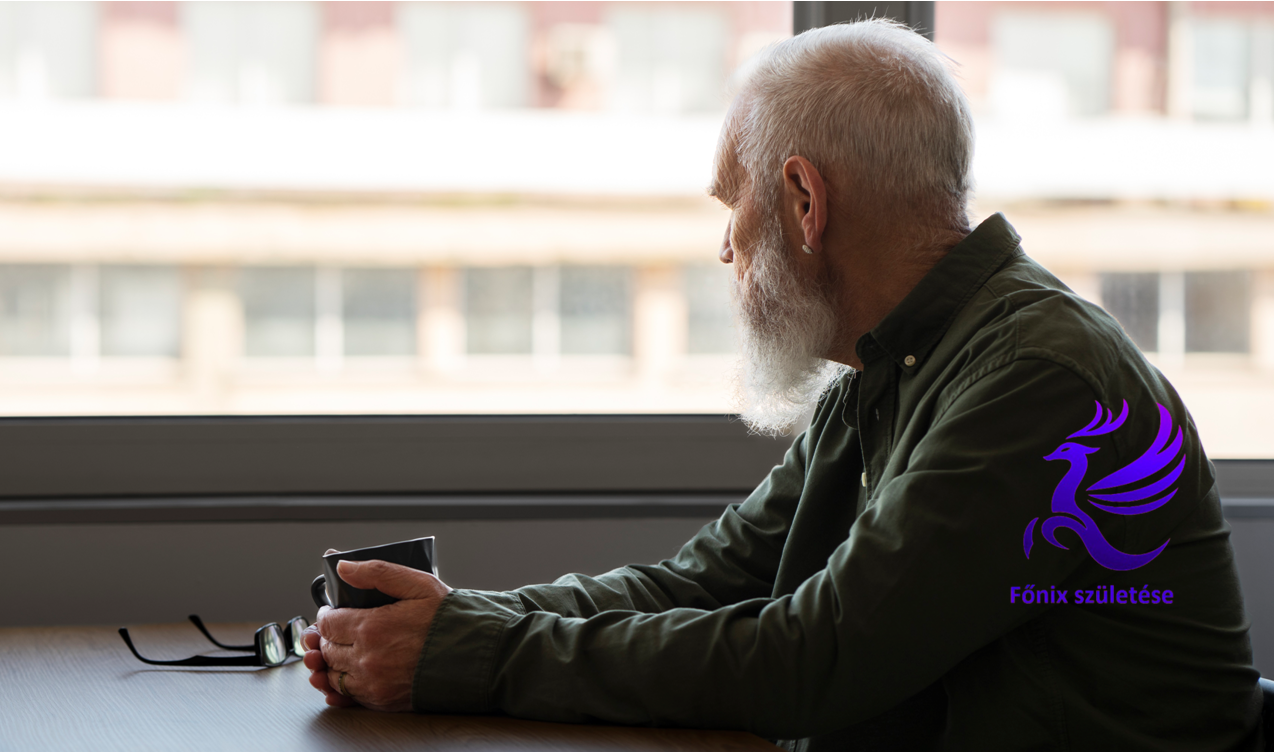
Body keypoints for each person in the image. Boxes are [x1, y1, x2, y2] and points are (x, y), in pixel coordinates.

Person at [300, 19, 1262, 750]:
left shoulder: (1036, 381)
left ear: (806, 201)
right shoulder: (889, 365)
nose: (724, 244)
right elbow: (708, 580)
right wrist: (465, 621)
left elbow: (818, 658)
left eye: (735, 201)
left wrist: (474, 657)